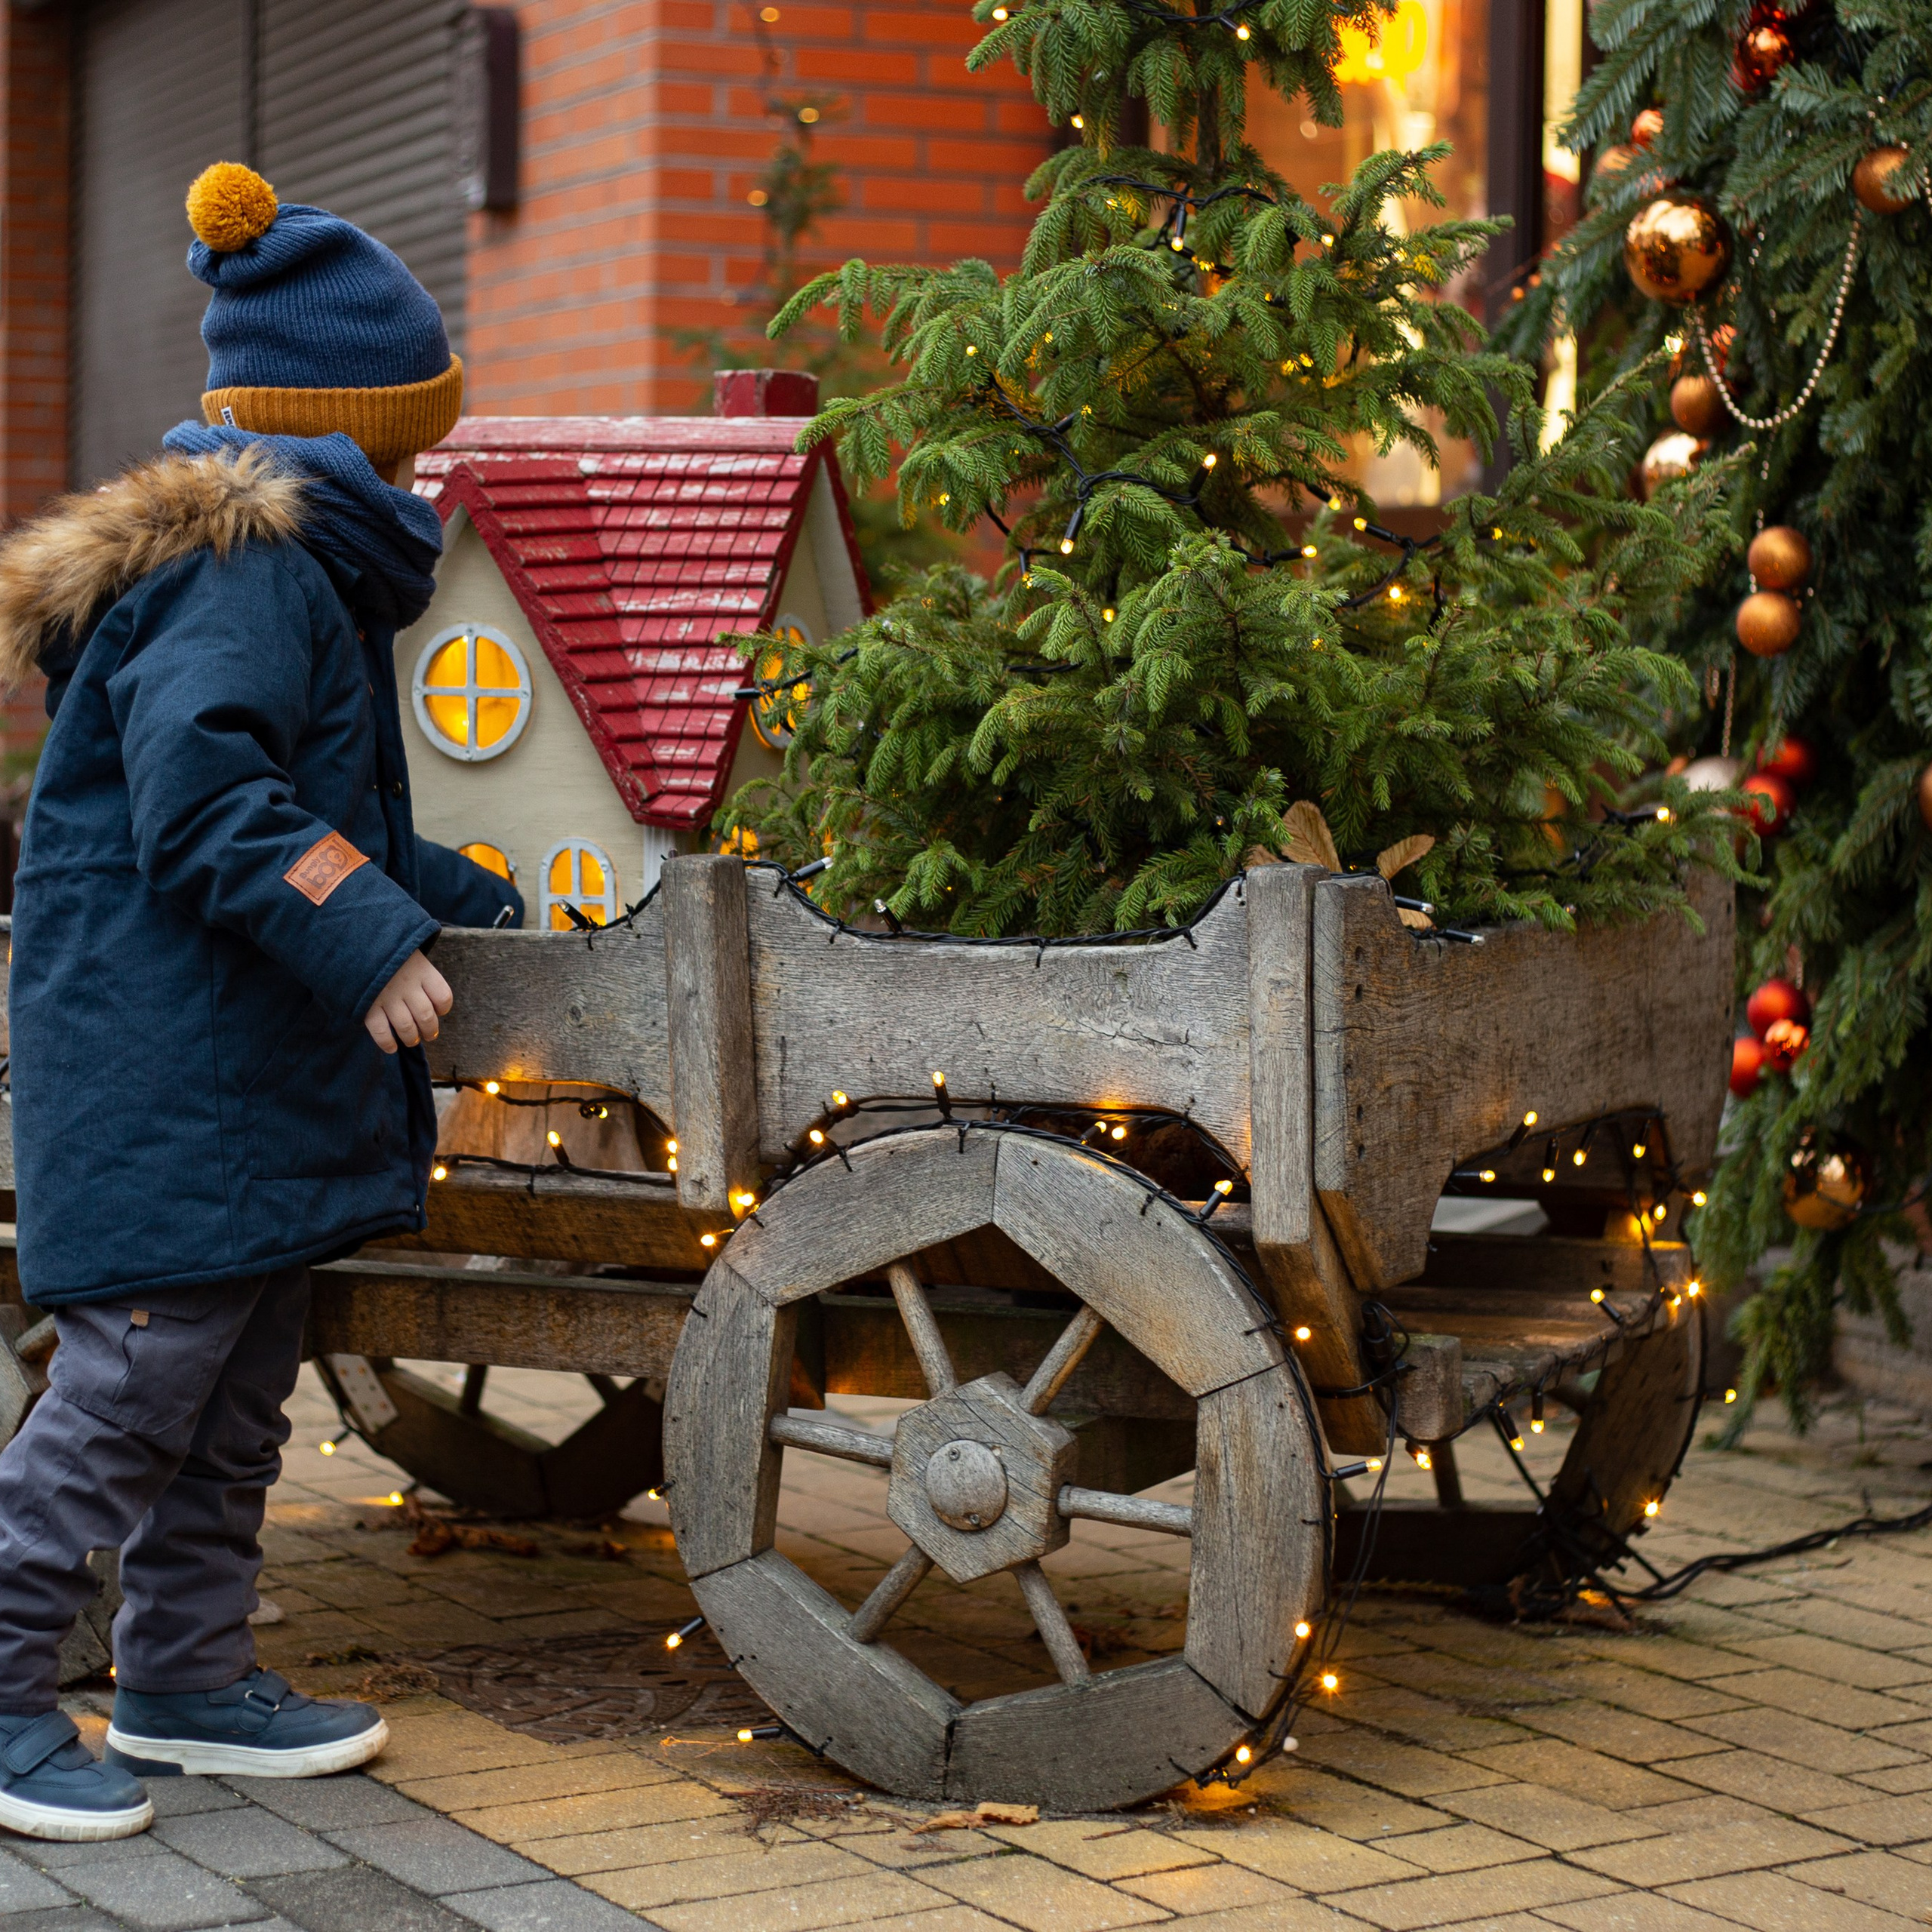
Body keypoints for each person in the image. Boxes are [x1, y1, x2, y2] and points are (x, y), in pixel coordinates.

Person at [0, 162, 521, 1840]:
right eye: (412, 438)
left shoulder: (302, 569)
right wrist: (370, 938)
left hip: (235, 1080)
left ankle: (182, 1676)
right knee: (127, 1399)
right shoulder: (247, 571)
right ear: (346, 428)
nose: (423, 471)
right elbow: (209, 803)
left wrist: (469, 901)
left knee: (229, 1409)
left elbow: (324, 813)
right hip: (169, 1075)